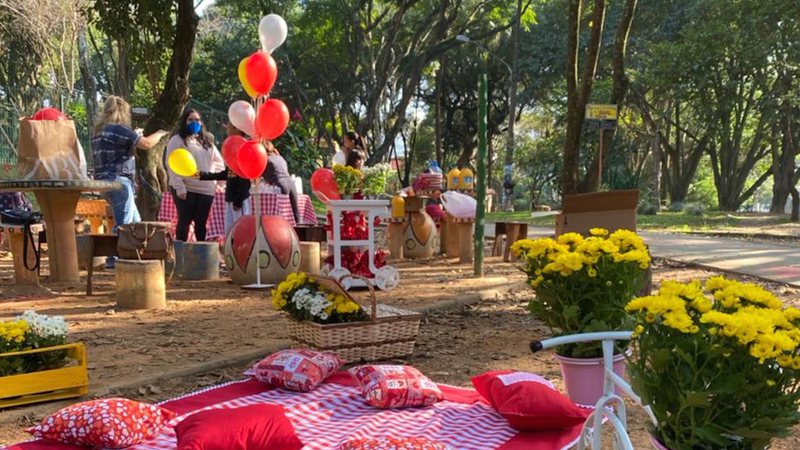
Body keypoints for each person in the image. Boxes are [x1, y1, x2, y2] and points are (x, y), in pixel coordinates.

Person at [91, 95, 169, 268]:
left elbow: (117, 150)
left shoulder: (99, 132)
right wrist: (161, 133)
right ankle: (115, 259)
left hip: (102, 182)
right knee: (124, 224)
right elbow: (147, 144)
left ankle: (133, 255)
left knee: (135, 221)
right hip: (119, 182)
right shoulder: (120, 129)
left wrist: (134, 137)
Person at [165, 109, 224, 242]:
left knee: (201, 223)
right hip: (186, 189)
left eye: (197, 120)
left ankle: (201, 255)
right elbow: (171, 163)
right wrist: (179, 187)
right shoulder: (177, 140)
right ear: (184, 122)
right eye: (191, 120)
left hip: (206, 190)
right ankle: (181, 255)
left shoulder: (207, 142)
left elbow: (219, 162)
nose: (194, 123)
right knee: (184, 220)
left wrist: (217, 182)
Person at [196, 123, 252, 234]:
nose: (227, 130)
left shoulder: (243, 148)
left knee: (240, 232)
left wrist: (238, 200)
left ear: (236, 128)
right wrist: (200, 175)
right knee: (229, 231)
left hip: (238, 201)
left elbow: (244, 176)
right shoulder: (233, 149)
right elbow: (226, 174)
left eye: (229, 127)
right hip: (230, 198)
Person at [262, 141, 299, 224]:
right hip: (291, 183)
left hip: (279, 184)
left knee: (282, 216)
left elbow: (259, 175)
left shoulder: (265, 160)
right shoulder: (279, 157)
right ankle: (298, 233)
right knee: (295, 213)